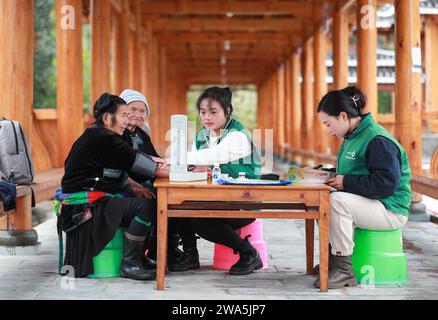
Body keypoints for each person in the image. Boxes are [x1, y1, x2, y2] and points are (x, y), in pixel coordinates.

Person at [57, 93, 166, 281]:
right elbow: (148, 168)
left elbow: (126, 170)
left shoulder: (96, 135)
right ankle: (130, 264)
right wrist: (188, 173)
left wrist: (137, 186)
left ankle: (139, 257)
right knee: (146, 206)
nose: (127, 120)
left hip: (92, 201)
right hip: (85, 210)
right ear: (107, 118)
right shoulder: (106, 139)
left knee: (147, 198)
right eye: (124, 115)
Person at [312, 86, 411, 289]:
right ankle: (333, 260)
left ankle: (344, 269)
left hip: (390, 209)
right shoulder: (353, 136)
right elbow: (357, 169)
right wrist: (324, 174)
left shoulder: (377, 140)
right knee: (322, 198)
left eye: (328, 124)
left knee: (336, 201)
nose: (328, 130)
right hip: (373, 204)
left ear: (343, 116)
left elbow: (386, 184)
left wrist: (346, 182)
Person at [170, 86, 264, 275]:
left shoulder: (237, 136)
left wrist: (175, 159)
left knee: (202, 222)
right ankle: (190, 256)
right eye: (203, 112)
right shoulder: (202, 136)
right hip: (217, 198)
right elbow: (199, 162)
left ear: (227, 111)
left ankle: (249, 253)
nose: (207, 118)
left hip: (243, 202)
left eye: (213, 112)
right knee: (178, 205)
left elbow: (214, 155)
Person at [119, 89, 183, 269]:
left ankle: (165, 249)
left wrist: (185, 168)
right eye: (132, 109)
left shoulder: (141, 134)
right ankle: (145, 254)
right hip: (125, 184)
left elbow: (155, 160)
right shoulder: (117, 133)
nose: (138, 115)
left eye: (142, 111)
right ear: (121, 111)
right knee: (158, 199)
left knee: (175, 197)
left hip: (146, 180)